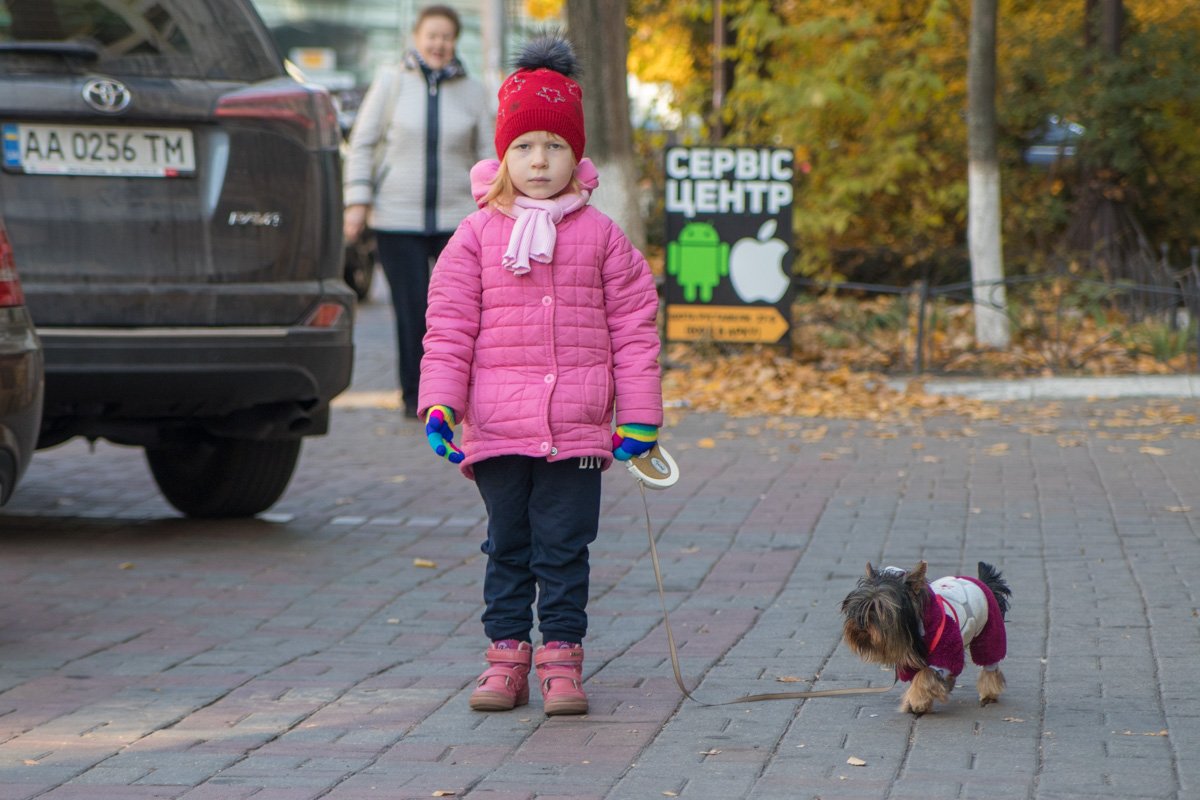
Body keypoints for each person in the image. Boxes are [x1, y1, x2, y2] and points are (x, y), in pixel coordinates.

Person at [417, 35, 663, 716]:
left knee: (564, 548)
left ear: (575, 156)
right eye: (524, 146)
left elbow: (635, 328)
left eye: (553, 146)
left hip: (580, 429)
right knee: (509, 546)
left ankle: (561, 659)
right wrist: (440, 404)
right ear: (503, 154)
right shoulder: (474, 237)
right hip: (496, 426)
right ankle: (505, 660)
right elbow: (449, 329)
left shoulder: (603, 236)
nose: (538, 160)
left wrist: (638, 415)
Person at [343, 4, 494, 418]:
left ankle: (461, 395)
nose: (439, 44)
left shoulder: (474, 91)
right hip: (397, 218)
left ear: (455, 41)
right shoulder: (391, 82)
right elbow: (364, 143)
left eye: (447, 37)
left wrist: (492, 206)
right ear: (417, 37)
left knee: (460, 313)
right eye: (432, 36)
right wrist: (357, 200)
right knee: (411, 311)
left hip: (458, 219)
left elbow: (488, 154)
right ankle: (416, 397)